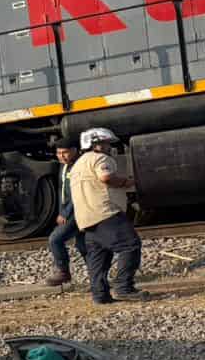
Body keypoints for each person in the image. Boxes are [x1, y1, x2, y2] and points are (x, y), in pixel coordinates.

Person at [69, 127, 148, 304]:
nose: (108, 147)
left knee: (99, 257)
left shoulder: (77, 165)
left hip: (85, 218)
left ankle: (100, 295)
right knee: (130, 245)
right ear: (95, 144)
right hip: (105, 213)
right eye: (105, 143)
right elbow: (105, 178)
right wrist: (126, 182)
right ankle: (124, 288)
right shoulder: (100, 159)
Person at [44, 136, 87, 286]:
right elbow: (62, 191)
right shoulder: (63, 166)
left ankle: (63, 272)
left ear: (74, 150)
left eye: (65, 153)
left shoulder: (79, 166)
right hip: (68, 210)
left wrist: (65, 213)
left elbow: (78, 192)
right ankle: (97, 274)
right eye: (58, 153)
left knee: (55, 239)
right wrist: (60, 211)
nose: (61, 156)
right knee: (83, 244)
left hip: (78, 210)